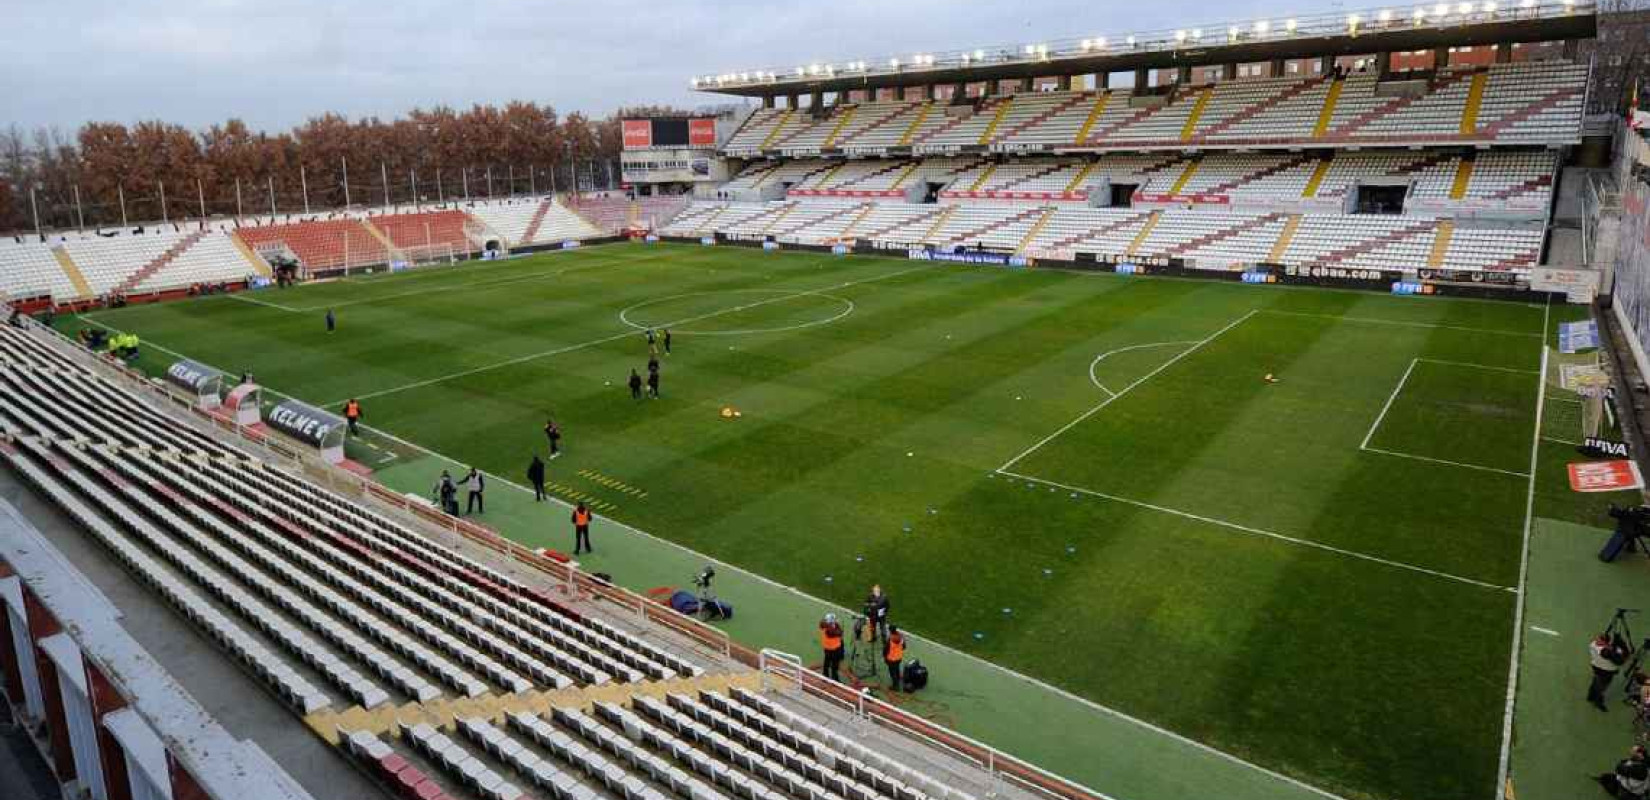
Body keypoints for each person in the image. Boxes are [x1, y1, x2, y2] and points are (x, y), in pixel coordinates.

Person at [1591, 632, 1629, 711]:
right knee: (1602, 686)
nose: (1596, 640)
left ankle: (1590, 696)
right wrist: (1619, 643)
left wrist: (1613, 646)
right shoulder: (1605, 652)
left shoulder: (1593, 645)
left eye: (1598, 639)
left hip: (1597, 668)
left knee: (1596, 681)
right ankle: (1597, 701)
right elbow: (1620, 660)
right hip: (1606, 672)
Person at [819, 613, 845, 682]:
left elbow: (839, 632)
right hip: (831, 649)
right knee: (833, 664)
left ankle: (826, 676)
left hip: (833, 648)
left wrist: (837, 626)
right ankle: (833, 678)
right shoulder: (828, 628)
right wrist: (839, 629)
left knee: (828, 663)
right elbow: (837, 633)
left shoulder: (830, 625)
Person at [884, 626, 906, 692]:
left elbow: (886, 649)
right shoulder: (901, 637)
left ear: (890, 631)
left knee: (892, 673)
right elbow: (904, 647)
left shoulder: (890, 639)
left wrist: (885, 657)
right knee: (897, 668)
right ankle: (898, 678)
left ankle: (895, 686)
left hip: (891, 659)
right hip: (899, 657)